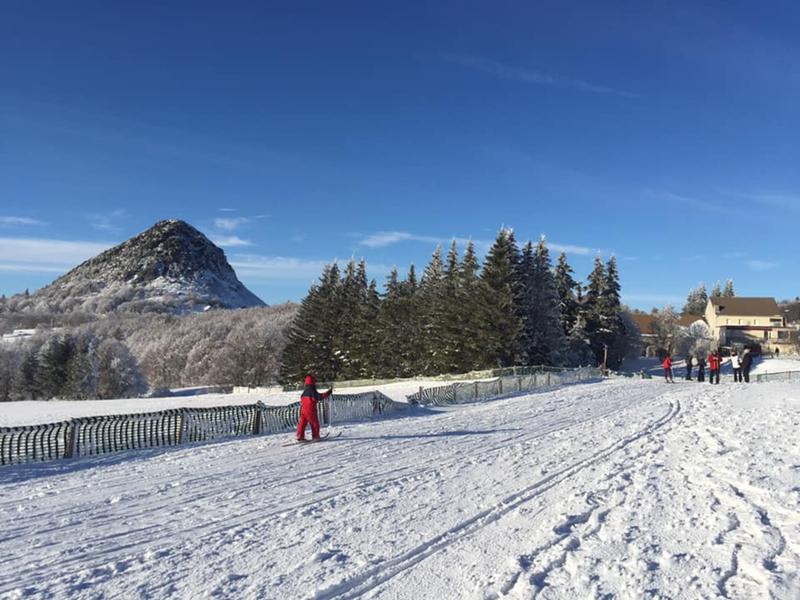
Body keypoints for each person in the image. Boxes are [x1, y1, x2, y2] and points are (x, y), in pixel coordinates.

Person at [296, 375, 332, 441]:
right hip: (310, 410)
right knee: (314, 423)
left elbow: (302, 399)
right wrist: (328, 393)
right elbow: (319, 397)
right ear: (312, 383)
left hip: (303, 410)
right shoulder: (312, 391)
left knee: (302, 423)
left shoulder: (305, 391)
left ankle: (299, 436)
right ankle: (316, 436)